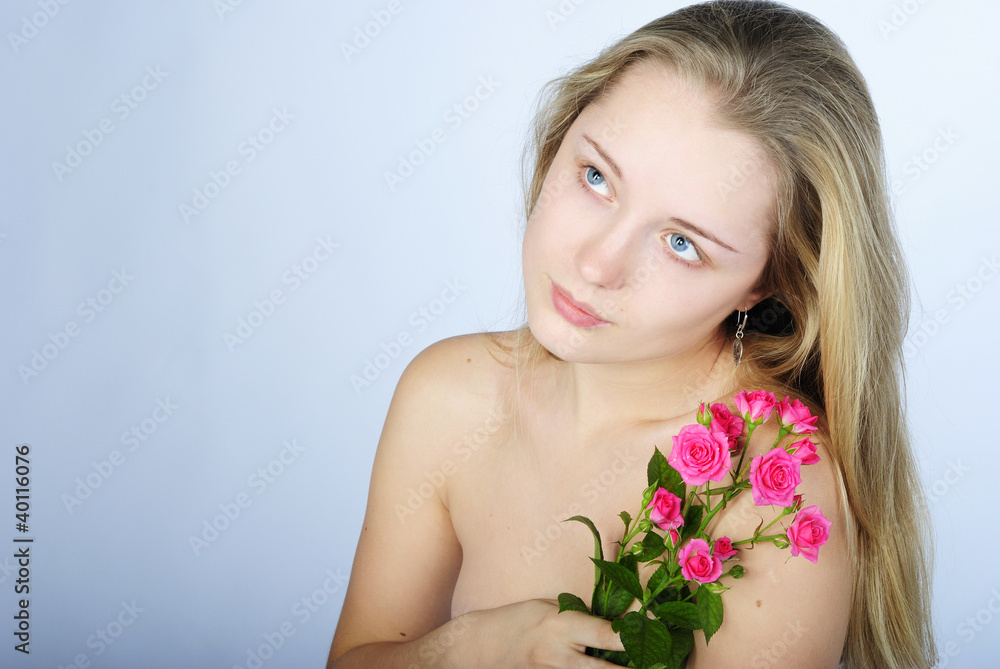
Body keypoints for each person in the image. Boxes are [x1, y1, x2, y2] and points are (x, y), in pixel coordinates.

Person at [327, 1, 936, 667]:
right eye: (596, 177)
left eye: (681, 243)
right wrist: (467, 647)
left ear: (769, 282)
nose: (595, 263)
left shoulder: (771, 492)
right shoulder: (448, 395)